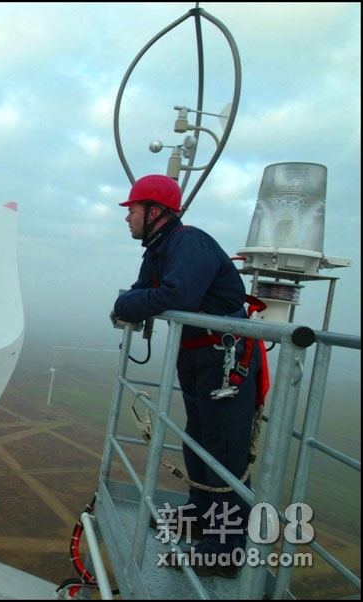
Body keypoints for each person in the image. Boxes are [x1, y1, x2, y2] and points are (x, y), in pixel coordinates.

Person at [110, 174, 263, 579]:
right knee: (197, 441)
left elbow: (176, 296)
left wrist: (127, 303)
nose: (128, 219)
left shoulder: (189, 243)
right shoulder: (160, 250)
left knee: (223, 449)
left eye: (133, 211)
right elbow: (143, 291)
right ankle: (201, 512)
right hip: (200, 356)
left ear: (154, 212)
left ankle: (225, 551)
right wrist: (129, 301)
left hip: (225, 357)